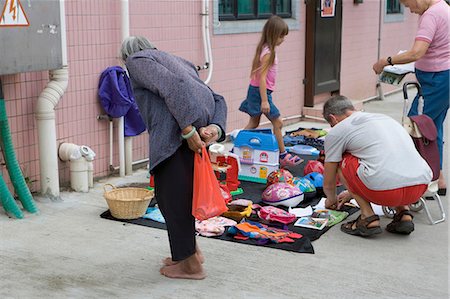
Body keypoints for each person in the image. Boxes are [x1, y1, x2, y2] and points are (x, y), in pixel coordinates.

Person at [120, 36, 227, 279]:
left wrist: (188, 130)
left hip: (174, 141)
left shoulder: (136, 61)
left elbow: (172, 85)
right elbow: (217, 98)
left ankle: (190, 266)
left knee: (172, 201)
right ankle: (189, 253)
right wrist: (215, 128)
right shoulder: (179, 61)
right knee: (183, 200)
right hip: (196, 139)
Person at [322, 96, 432, 236]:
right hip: (419, 188)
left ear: (333, 118)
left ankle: (367, 217)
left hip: (384, 192)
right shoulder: (385, 119)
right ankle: (403, 213)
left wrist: (331, 199)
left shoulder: (338, 131)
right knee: (388, 156)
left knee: (342, 159)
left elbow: (329, 181)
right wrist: (351, 193)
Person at [372, 0, 450, 195]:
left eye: (408, 4)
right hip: (441, 77)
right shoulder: (444, 8)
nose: (410, 10)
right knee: (433, 128)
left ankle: (416, 184)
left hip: (437, 80)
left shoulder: (431, 14)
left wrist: (386, 61)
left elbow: (417, 52)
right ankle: (436, 178)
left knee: (414, 127)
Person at [239, 15, 302, 168]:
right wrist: (265, 100)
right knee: (278, 121)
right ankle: (283, 155)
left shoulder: (266, 48)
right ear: (274, 35)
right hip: (260, 93)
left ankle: (238, 145)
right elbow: (262, 78)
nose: (283, 39)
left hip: (257, 92)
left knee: (254, 122)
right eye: (281, 36)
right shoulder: (268, 53)